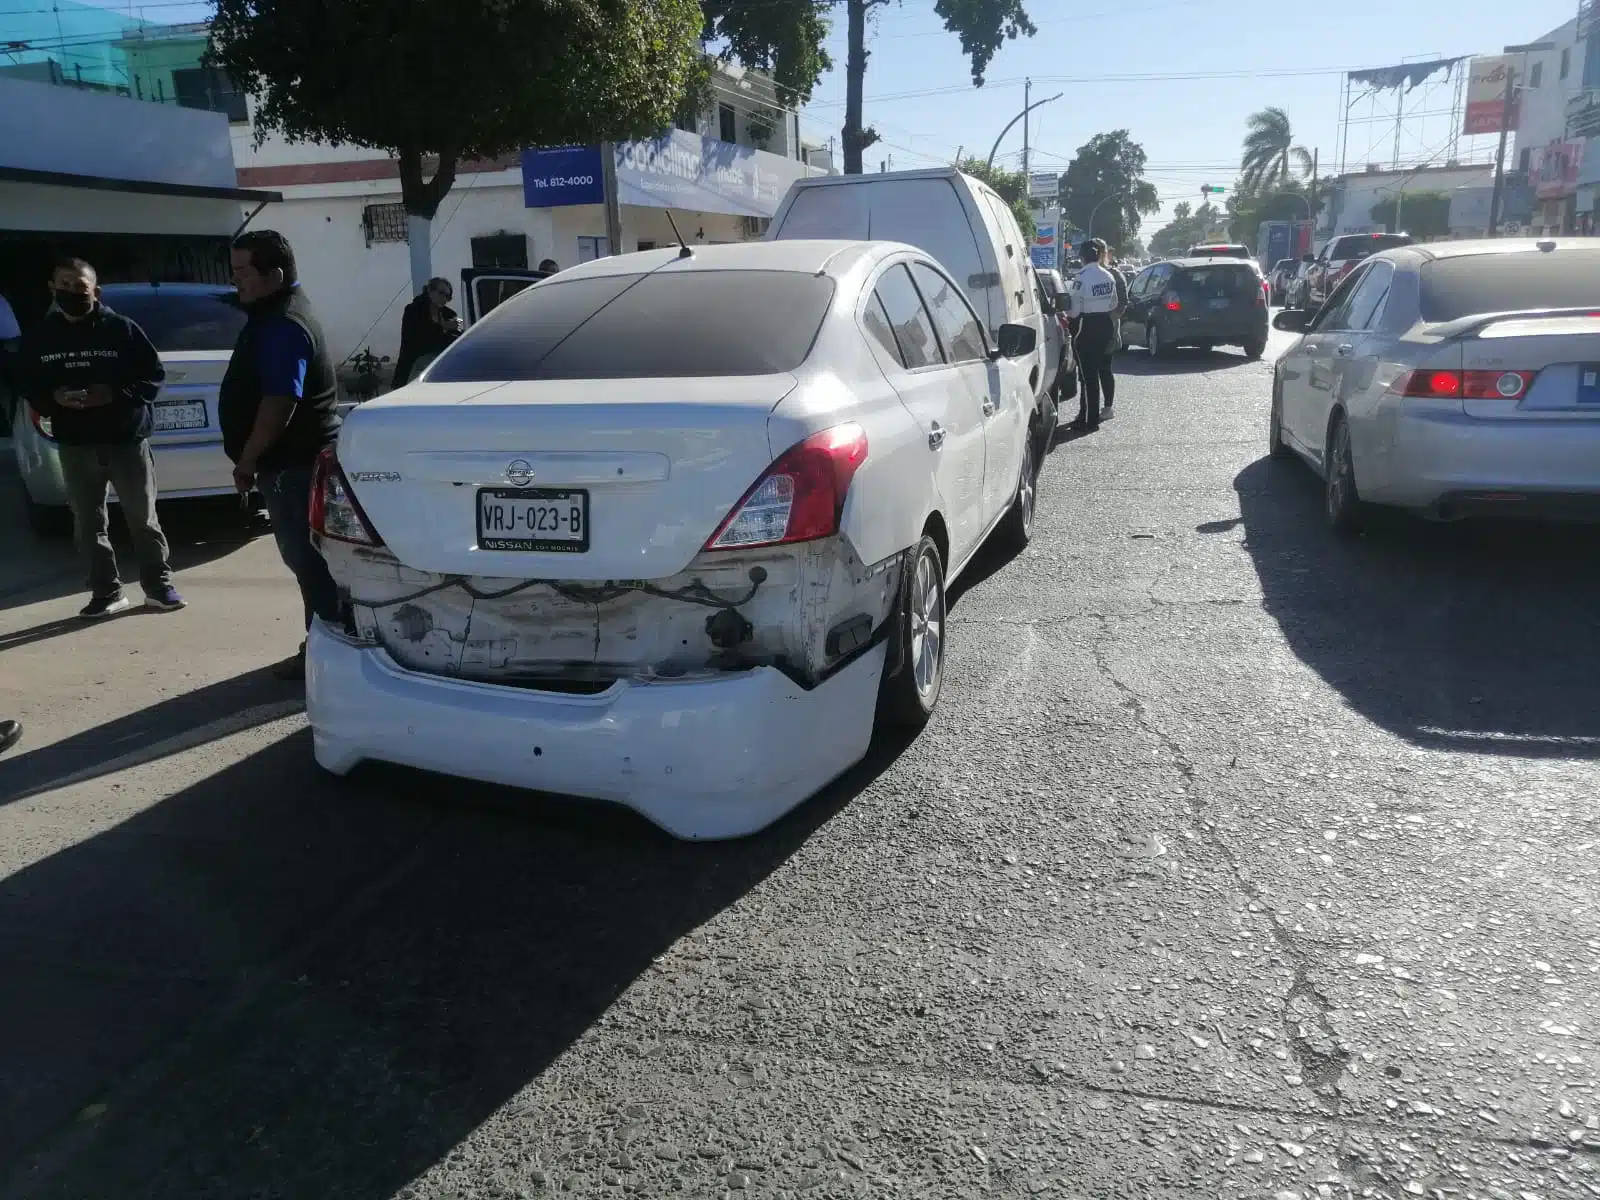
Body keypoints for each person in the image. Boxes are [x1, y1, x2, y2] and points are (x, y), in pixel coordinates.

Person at [15, 258, 182, 617]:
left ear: (96, 291)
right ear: (52, 287)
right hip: (75, 443)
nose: (72, 292)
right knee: (88, 523)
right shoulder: (40, 337)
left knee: (143, 518)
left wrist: (113, 395)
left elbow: (153, 377)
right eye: (65, 285)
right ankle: (106, 592)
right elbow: (27, 384)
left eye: (80, 287)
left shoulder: (121, 329)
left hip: (125, 440)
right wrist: (53, 399)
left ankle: (158, 586)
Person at [220, 230, 341, 681]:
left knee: (311, 565)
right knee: (311, 565)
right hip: (292, 464)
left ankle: (329, 655)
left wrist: (248, 460)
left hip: (294, 466)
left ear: (275, 274)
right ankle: (326, 647)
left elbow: (279, 401)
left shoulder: (285, 323)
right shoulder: (272, 314)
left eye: (243, 272)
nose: (237, 282)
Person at [1065, 239, 1121, 432]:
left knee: (1087, 377)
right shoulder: (1108, 275)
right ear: (1098, 255)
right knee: (1093, 373)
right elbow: (1114, 303)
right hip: (1105, 325)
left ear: (1082, 257)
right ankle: (1085, 414)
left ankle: (1089, 420)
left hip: (1086, 326)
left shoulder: (1081, 278)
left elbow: (1073, 310)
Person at [391, 276, 461, 389]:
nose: (444, 298)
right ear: (430, 290)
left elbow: (456, 338)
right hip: (413, 368)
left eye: (448, 296)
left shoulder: (449, 314)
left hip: (437, 369)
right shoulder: (413, 310)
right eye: (441, 293)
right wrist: (443, 327)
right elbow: (418, 338)